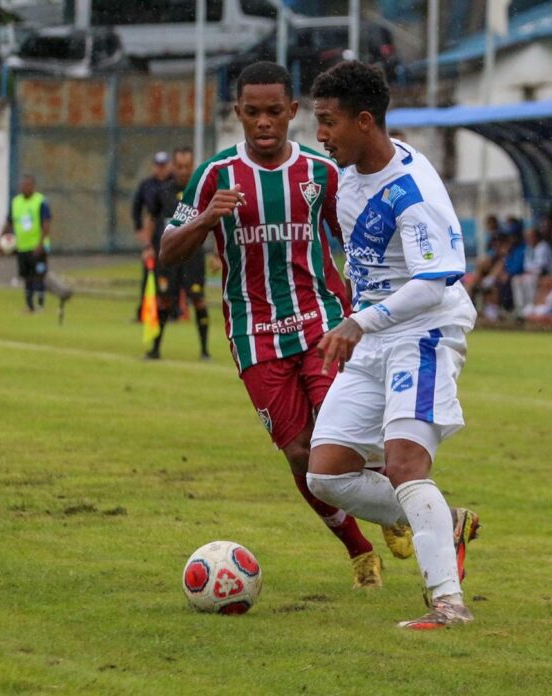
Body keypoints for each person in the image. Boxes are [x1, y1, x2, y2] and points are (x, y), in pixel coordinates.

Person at [159, 62, 478, 590]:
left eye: (274, 111)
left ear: (292, 112)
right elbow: (167, 250)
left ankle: (415, 526)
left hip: (323, 324)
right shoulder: (216, 176)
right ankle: (366, 541)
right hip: (255, 332)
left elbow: (360, 244)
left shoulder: (325, 173)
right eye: (252, 112)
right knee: (302, 454)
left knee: (349, 449)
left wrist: (365, 317)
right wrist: (205, 219)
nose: (264, 122)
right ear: (237, 113)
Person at [306, 61, 478, 629]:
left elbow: (436, 281)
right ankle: (443, 520)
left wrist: (361, 322)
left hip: (424, 332)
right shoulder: (351, 175)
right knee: (326, 474)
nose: (321, 134)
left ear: (364, 121)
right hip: (376, 331)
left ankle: (448, 604)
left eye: (328, 122)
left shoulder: (414, 190)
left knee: (405, 464)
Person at [141, 147, 210, 360]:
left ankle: (204, 350)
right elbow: (152, 218)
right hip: (168, 256)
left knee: (198, 299)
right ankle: (155, 348)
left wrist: (216, 252)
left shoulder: (201, 190)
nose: (183, 170)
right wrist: (147, 246)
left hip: (193, 256)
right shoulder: (163, 191)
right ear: (173, 166)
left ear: (193, 166)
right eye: (179, 166)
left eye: (187, 166)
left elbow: (215, 220)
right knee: (164, 301)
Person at [0, 174, 51, 313]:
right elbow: (9, 223)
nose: (23, 188)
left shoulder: (40, 202)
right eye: (22, 185)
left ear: (32, 186)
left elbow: (46, 225)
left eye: (26, 185)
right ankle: (29, 306)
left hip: (38, 247)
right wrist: (0, 240)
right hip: (22, 247)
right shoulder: (16, 202)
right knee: (27, 277)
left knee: (39, 276)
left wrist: (40, 244)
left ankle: (40, 305)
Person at [132, 151, 172, 322]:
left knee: (172, 275)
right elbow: (139, 209)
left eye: (164, 166)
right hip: (155, 237)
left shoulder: (175, 184)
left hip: (173, 235)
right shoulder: (147, 185)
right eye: (158, 166)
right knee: (150, 272)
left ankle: (173, 310)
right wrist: (141, 231)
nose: (161, 169)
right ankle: (145, 310)